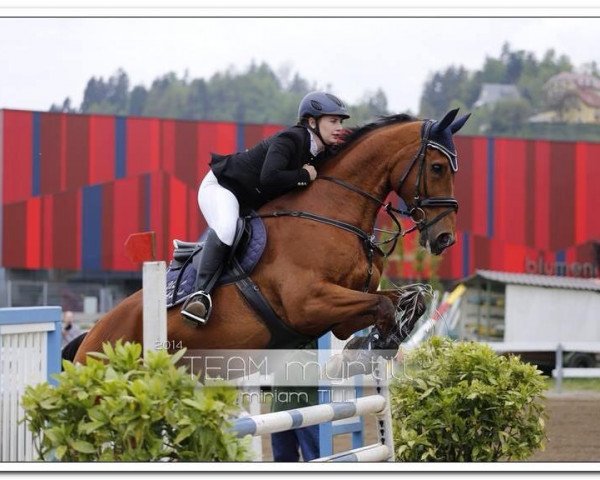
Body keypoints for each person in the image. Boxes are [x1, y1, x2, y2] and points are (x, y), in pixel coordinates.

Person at [181, 91, 350, 325]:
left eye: (340, 121)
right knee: (228, 228)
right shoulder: (291, 139)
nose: (338, 127)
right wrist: (302, 175)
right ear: (312, 122)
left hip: (250, 200)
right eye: (333, 121)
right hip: (223, 188)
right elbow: (269, 177)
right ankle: (198, 296)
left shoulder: (320, 152)